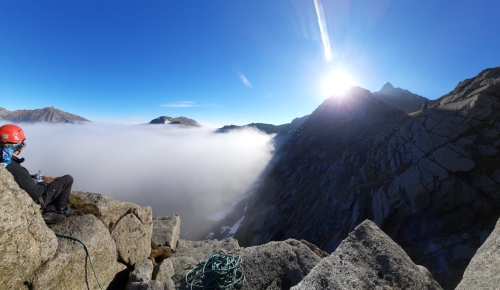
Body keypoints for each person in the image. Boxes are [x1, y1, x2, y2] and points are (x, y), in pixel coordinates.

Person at [0, 124, 73, 224]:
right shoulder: (15, 168)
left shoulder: (4, 164)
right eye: (22, 143)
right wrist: (41, 182)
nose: (23, 145)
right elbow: (34, 194)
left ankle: (51, 209)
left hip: (21, 194)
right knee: (68, 179)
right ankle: (60, 210)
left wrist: (30, 178)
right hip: (36, 200)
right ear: (16, 146)